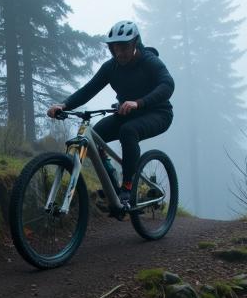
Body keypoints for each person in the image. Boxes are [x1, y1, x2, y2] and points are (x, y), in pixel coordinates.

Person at [46, 20, 174, 210]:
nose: (120, 53)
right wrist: (63, 105)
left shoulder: (149, 61)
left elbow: (167, 85)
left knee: (128, 131)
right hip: (127, 113)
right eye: (115, 48)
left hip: (158, 113)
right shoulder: (111, 67)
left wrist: (138, 102)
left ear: (135, 43)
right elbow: (88, 90)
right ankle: (112, 180)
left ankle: (128, 188)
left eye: (124, 47)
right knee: (94, 138)